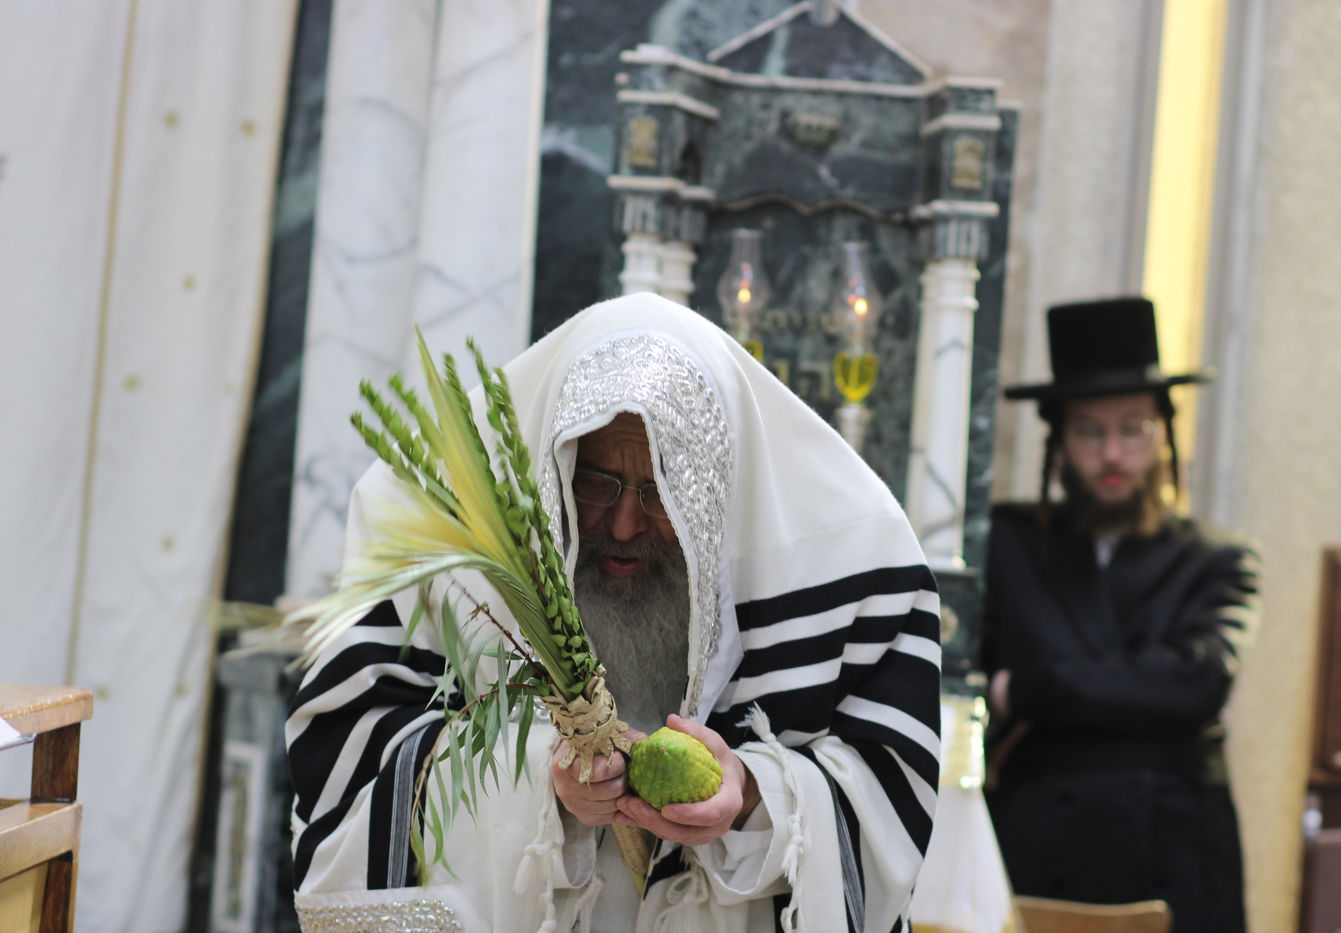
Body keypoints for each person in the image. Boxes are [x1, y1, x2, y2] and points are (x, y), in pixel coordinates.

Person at [286, 293, 942, 932]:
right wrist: (543, 782)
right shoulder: (451, 564)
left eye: (661, 490)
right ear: (553, 469)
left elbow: (889, 808)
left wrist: (750, 799)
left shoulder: (850, 557)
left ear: (715, 498)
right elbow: (345, 772)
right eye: (596, 482)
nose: (625, 524)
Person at [981, 296, 1260, 932]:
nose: (1113, 453)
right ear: (1059, 442)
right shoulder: (1009, 543)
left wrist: (1029, 689)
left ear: (1165, 434)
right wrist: (1132, 689)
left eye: (1133, 428)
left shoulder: (1219, 558)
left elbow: (1197, 684)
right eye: (1090, 431)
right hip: (1037, 840)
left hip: (1174, 852)